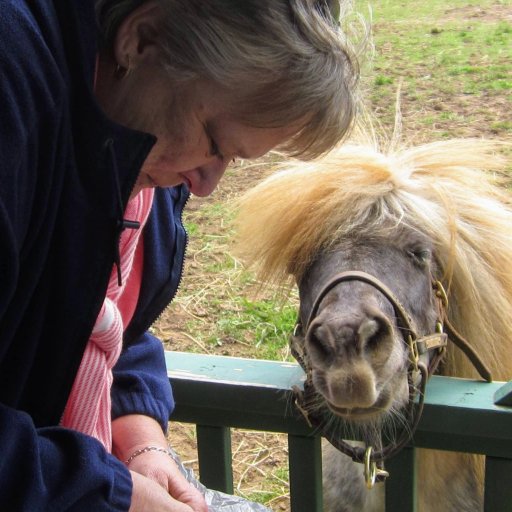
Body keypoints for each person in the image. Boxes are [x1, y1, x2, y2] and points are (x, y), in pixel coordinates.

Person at [0, 0, 359, 510]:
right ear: (141, 40)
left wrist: (140, 436)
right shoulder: (13, 86)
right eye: (214, 140)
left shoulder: (142, 150)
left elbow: (102, 322)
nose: (206, 184)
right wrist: (109, 496)